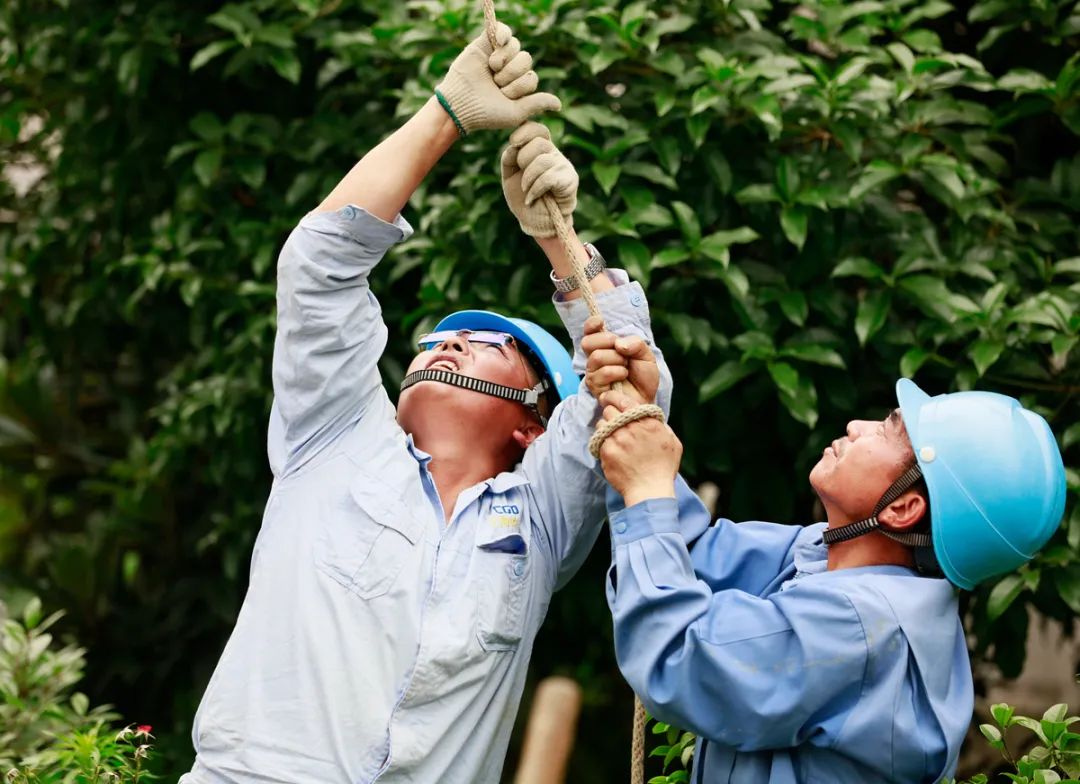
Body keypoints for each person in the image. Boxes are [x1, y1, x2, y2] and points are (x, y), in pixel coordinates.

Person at [182, 24, 669, 784]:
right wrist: (446, 111)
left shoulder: (541, 519)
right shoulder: (334, 433)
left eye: (489, 344)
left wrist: (563, 249)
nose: (448, 345)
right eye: (440, 339)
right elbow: (319, 263)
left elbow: (634, 396)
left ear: (533, 424)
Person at [582, 324, 1066, 784]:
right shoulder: (830, 557)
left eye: (889, 431)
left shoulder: (860, 627)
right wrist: (637, 414)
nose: (858, 425)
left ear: (903, 507)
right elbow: (691, 551)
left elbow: (679, 662)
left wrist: (647, 487)